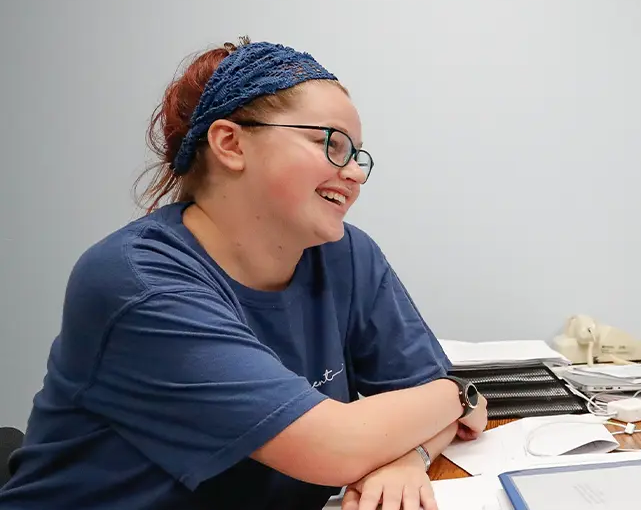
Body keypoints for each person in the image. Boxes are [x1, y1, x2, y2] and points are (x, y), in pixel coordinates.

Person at [0, 38, 489, 510]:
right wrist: (456, 394)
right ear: (231, 143)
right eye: (332, 144)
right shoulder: (139, 282)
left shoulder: (346, 255)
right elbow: (338, 445)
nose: (356, 173)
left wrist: (407, 458)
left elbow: (424, 406)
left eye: (358, 156)